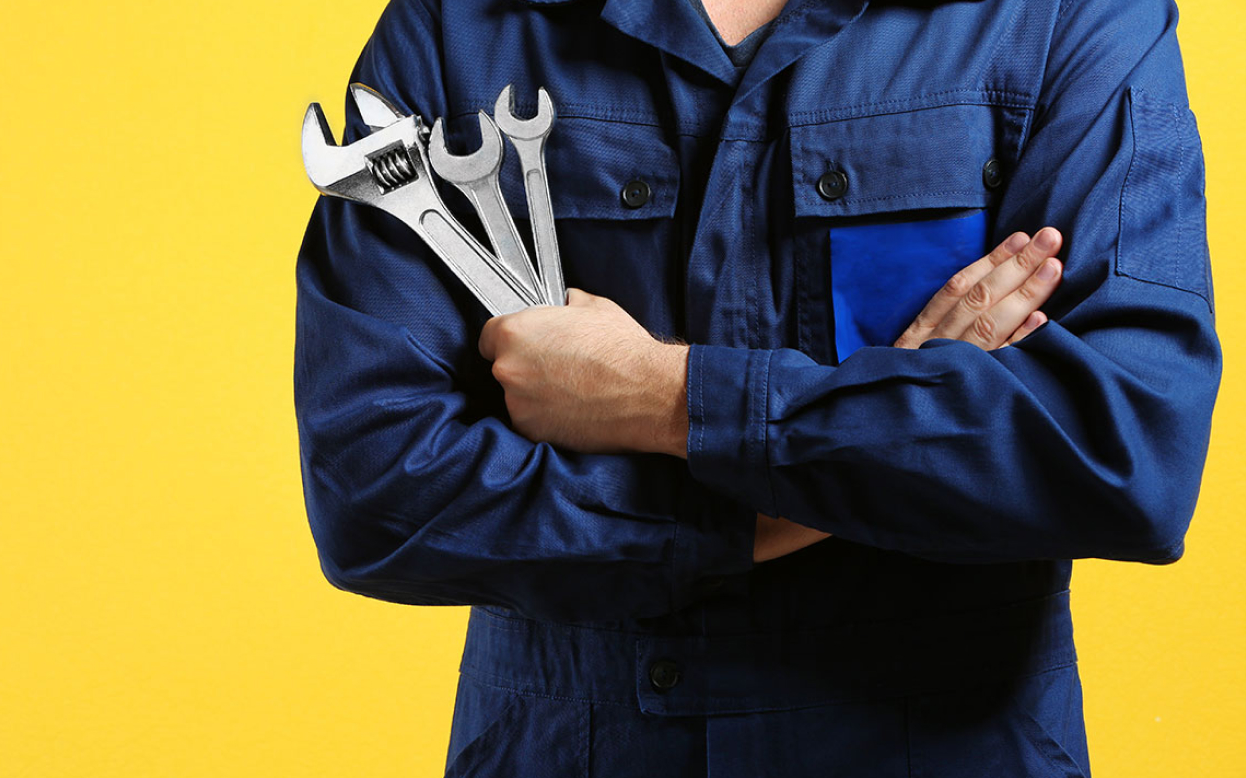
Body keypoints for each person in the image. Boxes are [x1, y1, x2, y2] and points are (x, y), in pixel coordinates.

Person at [293, 0, 1221, 774]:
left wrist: (661, 396)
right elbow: (377, 493)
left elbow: (1128, 455)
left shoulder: (1065, 16)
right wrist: (848, 461)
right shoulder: (457, 28)